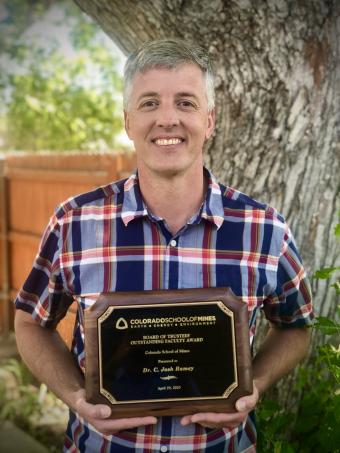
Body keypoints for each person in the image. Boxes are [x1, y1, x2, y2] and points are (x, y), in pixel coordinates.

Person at [14, 39, 314, 452]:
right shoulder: (74, 222)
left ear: (209, 121)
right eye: (150, 103)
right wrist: (74, 395)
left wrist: (255, 385)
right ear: (127, 121)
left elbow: (296, 328)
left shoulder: (265, 230)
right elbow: (30, 321)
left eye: (186, 103)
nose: (167, 119)